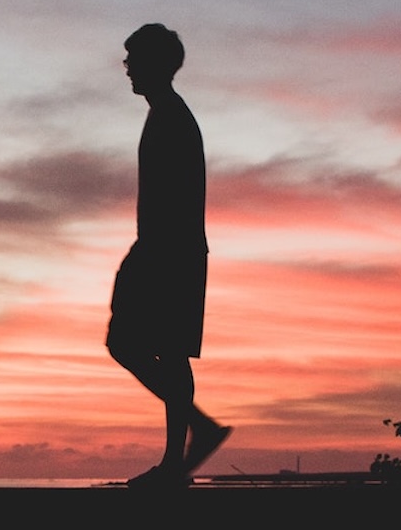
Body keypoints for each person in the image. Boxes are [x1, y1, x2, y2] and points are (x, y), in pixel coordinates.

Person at [107, 24, 231, 489]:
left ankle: (181, 454)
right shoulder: (166, 114)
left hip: (169, 250)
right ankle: (189, 442)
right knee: (151, 349)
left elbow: (173, 197)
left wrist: (147, 254)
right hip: (167, 248)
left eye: (133, 59)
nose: (127, 69)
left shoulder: (172, 117)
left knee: (152, 348)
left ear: (156, 64)